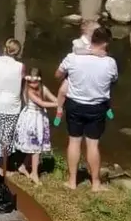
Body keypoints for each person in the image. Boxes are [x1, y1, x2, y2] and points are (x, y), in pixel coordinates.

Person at [56, 25, 119, 191]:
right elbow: (114, 80)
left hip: (75, 104)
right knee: (93, 144)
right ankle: (96, 183)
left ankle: (72, 181)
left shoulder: (72, 57)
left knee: (74, 141)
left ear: (92, 40)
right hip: (97, 106)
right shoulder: (110, 63)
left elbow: (58, 74)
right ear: (105, 43)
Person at [13, 68, 58, 184]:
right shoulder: (28, 90)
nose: (32, 84)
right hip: (30, 119)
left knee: (34, 147)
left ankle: (23, 166)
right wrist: (57, 104)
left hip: (40, 119)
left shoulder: (44, 89)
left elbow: (54, 99)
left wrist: (60, 101)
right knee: (35, 147)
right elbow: (41, 103)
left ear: (40, 80)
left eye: (35, 82)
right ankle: (34, 173)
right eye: (30, 82)